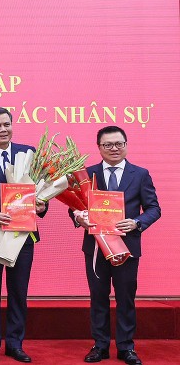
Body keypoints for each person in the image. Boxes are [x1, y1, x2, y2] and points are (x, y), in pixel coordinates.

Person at [72, 126, 160, 365]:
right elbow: (75, 207)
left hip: (127, 247)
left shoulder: (140, 174)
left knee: (125, 298)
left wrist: (136, 222)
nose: (114, 148)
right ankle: (100, 346)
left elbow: (153, 208)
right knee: (98, 297)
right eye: (108, 144)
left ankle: (126, 347)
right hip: (95, 247)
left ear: (126, 145)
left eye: (119, 143)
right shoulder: (87, 174)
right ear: (99, 147)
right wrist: (79, 218)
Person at [0, 107, 47, 363]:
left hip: (22, 233)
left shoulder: (29, 152)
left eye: (7, 124)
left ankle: (15, 344)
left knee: (18, 291)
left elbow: (40, 189)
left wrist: (42, 205)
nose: (3, 130)